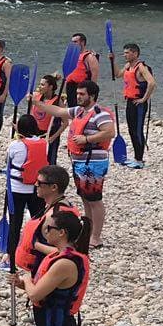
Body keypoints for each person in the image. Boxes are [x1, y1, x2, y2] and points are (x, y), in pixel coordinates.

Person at [38, 81, 116, 247]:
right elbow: (58, 111)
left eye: (82, 94)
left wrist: (86, 139)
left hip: (93, 162)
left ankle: (96, 237)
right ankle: (87, 232)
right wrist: (39, 104)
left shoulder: (99, 113)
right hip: (80, 161)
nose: (78, 96)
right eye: (78, 94)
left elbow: (110, 132)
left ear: (92, 96)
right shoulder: (79, 111)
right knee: (85, 198)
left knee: (94, 199)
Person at [15, 164, 81, 271]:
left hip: (45, 271)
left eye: (40, 183)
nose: (36, 184)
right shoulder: (58, 205)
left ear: (54, 187)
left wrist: (34, 244)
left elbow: (64, 251)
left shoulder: (54, 217)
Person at [4, 115, 49, 258]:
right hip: (37, 190)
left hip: (16, 189)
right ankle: (39, 252)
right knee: (37, 221)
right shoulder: (44, 143)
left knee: (15, 223)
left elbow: (8, 160)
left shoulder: (15, 145)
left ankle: (10, 254)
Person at [118, 43, 156, 167]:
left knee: (137, 131)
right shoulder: (128, 66)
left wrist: (144, 99)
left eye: (127, 53)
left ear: (135, 53)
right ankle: (136, 158)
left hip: (139, 104)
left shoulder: (141, 67)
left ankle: (139, 160)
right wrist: (112, 60)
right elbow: (117, 74)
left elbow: (152, 83)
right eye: (124, 53)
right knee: (131, 130)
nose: (125, 55)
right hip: (130, 102)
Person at [30, 74, 65, 164]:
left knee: (49, 161)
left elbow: (65, 123)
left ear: (50, 87)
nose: (39, 86)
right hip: (35, 133)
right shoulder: (36, 96)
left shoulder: (58, 102)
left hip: (50, 134)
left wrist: (53, 137)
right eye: (39, 84)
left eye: (42, 85)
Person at [63, 32, 100, 108]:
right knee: (72, 111)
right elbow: (67, 76)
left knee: (81, 110)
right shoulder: (71, 56)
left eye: (75, 42)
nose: (73, 44)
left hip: (82, 88)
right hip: (70, 87)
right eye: (72, 42)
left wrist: (91, 93)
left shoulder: (89, 57)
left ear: (82, 42)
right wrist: (64, 93)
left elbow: (94, 76)